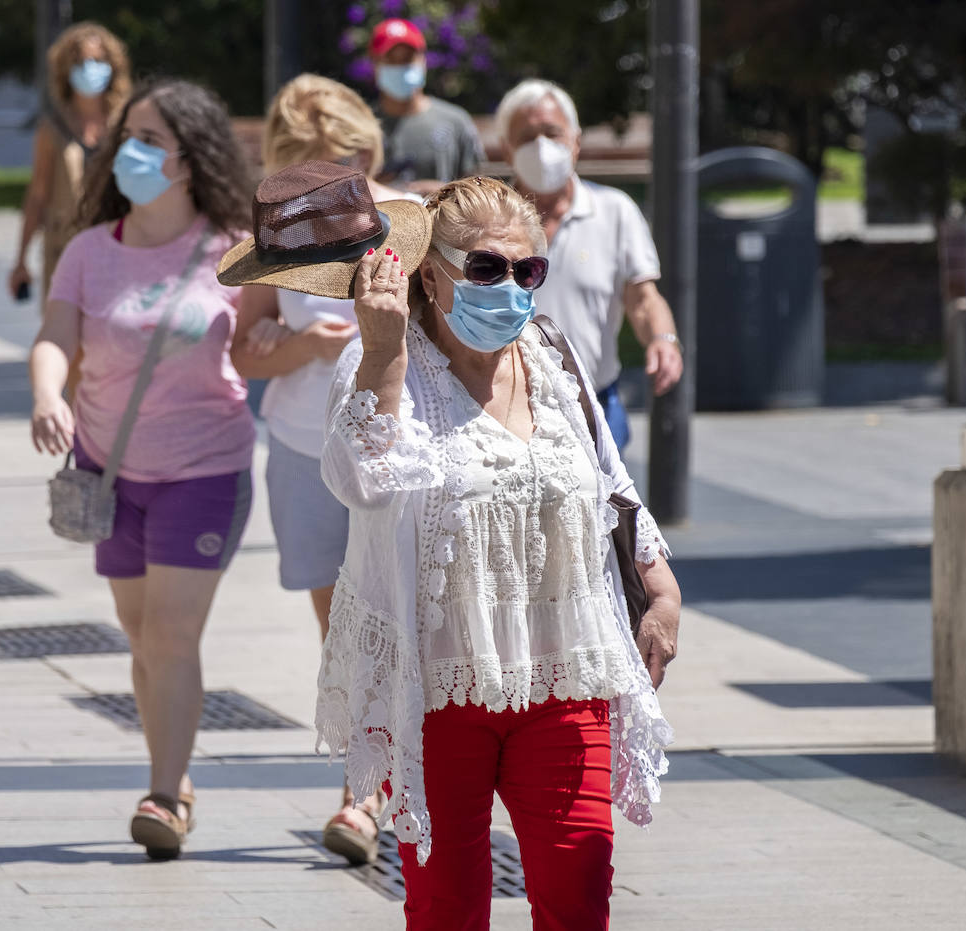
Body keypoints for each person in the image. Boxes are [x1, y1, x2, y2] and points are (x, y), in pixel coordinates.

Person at [227, 171, 680, 928]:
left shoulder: (553, 357)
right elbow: (360, 480)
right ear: (429, 274)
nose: (508, 285)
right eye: (485, 267)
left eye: (526, 270)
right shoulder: (384, 362)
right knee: (447, 905)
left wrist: (659, 586)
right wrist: (380, 353)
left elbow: (610, 483)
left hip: (563, 669)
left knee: (578, 888)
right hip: (437, 684)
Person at [29, 78, 256, 860]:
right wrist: (46, 394)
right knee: (141, 634)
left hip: (206, 467)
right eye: (128, 135)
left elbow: (268, 339)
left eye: (150, 138)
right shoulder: (91, 251)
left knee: (170, 630)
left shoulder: (234, 244)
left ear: (190, 159)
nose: (130, 149)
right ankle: (176, 771)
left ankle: (164, 792)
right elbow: (55, 334)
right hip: (108, 467)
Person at [228, 74, 416, 866]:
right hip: (305, 451)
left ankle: (367, 792)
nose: (316, 188)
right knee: (342, 633)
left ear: (365, 154)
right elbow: (244, 349)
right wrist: (310, 345)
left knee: (399, 626)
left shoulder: (407, 222)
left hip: (393, 453)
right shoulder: (277, 239)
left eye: (331, 167)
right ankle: (370, 779)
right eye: (298, 171)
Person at [495, 78, 683, 451]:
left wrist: (663, 340)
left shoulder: (614, 212)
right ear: (507, 149)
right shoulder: (488, 221)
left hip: (594, 406)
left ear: (576, 142)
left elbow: (643, 298)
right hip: (503, 410)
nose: (542, 147)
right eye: (527, 136)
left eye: (552, 133)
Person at [9, 21, 132, 311]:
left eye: (98, 61)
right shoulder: (53, 127)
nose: (91, 68)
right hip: (65, 244)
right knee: (64, 333)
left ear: (112, 65)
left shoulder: (127, 122)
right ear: (66, 69)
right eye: (81, 61)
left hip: (118, 243)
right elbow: (38, 194)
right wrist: (21, 259)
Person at [368, 17, 482, 193]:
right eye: (391, 59)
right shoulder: (361, 126)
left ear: (423, 61)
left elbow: (479, 189)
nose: (400, 66)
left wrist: (442, 193)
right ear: (375, 65)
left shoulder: (455, 121)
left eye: (407, 58)